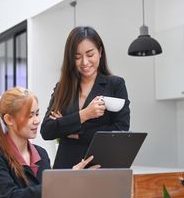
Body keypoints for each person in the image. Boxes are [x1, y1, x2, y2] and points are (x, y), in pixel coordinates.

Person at [40, 26, 130, 169]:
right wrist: (84, 115)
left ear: (100, 52)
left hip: (100, 166)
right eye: (77, 57)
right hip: (66, 167)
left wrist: (73, 130)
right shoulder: (62, 88)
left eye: (90, 54)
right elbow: (47, 130)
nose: (84, 62)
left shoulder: (115, 85)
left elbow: (120, 130)